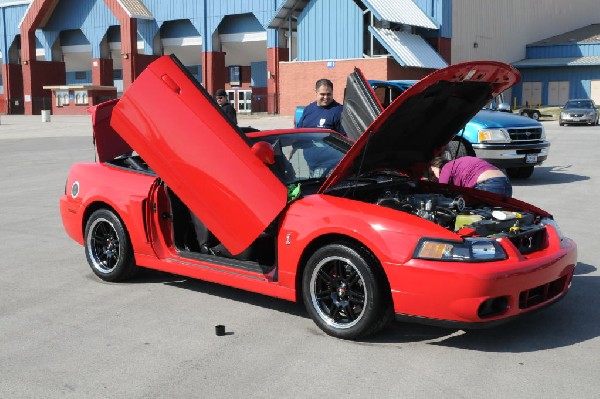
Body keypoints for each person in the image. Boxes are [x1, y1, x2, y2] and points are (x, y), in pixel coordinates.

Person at [295, 79, 345, 177]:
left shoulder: (338, 111)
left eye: (329, 94)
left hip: (330, 166)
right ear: (315, 92)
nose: (326, 97)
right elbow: (299, 133)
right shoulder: (308, 109)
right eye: (322, 94)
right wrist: (290, 153)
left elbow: (345, 139)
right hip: (311, 164)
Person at [430, 156, 513, 197]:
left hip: (489, 186)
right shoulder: (459, 163)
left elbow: (442, 191)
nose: (434, 176)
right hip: (506, 184)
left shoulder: (446, 167)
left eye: (432, 172)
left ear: (436, 165)